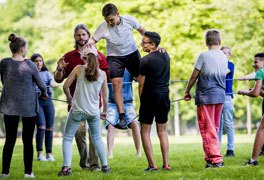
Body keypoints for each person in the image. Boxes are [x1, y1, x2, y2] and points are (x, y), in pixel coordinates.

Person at [54, 24, 108, 171]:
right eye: (78, 35)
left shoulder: (99, 57)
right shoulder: (69, 57)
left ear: (88, 35)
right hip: (78, 105)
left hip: (89, 105)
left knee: (93, 136)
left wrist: (104, 108)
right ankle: (87, 163)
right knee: (79, 134)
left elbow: (104, 81)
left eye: (84, 34)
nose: (81, 37)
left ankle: (94, 164)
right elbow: (59, 80)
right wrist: (60, 68)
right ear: (75, 37)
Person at [88, 3, 146, 129]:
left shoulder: (130, 20)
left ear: (117, 14)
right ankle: (122, 116)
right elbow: (92, 41)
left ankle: (144, 109)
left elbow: (143, 31)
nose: (110, 22)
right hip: (115, 57)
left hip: (132, 54)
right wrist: (91, 50)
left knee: (142, 80)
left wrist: (154, 46)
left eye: (111, 20)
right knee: (116, 84)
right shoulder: (103, 27)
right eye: (107, 20)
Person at [0, 33, 47, 178]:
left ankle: (5, 172)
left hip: (9, 106)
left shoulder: (4, 62)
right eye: (25, 47)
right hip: (28, 107)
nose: (27, 50)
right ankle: (28, 172)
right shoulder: (30, 65)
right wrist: (43, 93)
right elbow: (42, 85)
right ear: (21, 48)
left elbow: (3, 81)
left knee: (10, 139)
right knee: (27, 140)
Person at [184, 29, 228, 168]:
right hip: (220, 96)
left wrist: (187, 91)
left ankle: (216, 159)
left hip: (206, 96)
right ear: (219, 41)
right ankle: (210, 158)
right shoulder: (223, 56)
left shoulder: (204, 56)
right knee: (214, 128)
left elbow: (193, 75)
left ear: (206, 42)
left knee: (207, 128)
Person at [138, 31, 170, 172]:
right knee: (162, 131)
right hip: (164, 95)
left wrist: (141, 100)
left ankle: (152, 165)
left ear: (152, 44)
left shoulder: (145, 60)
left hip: (149, 96)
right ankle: (166, 164)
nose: (142, 45)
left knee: (145, 132)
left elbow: (141, 84)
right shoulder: (166, 55)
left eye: (144, 42)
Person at [106, 69, 141, 159]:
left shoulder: (129, 69)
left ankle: (139, 152)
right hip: (112, 103)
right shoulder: (109, 69)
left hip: (127, 103)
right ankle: (110, 153)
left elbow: (139, 78)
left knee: (135, 124)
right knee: (110, 125)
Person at [238, 52, 264, 165]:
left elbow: (255, 93)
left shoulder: (260, 72)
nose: (253, 65)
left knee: (261, 129)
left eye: (256, 62)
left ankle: (253, 160)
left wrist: (243, 92)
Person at [31, 53, 56, 161]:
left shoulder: (46, 73)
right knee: (41, 127)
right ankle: (40, 153)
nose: (39, 63)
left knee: (50, 128)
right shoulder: (30, 73)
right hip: (37, 102)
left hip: (48, 101)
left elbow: (52, 82)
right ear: (32, 63)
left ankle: (49, 154)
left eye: (40, 61)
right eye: (36, 61)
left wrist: (53, 83)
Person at [218, 46, 235, 157]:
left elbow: (224, 72)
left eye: (225, 53)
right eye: (221, 53)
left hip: (227, 96)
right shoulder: (218, 65)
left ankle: (230, 149)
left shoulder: (230, 64)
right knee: (218, 124)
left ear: (229, 55)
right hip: (217, 96)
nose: (223, 55)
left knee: (228, 123)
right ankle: (217, 149)